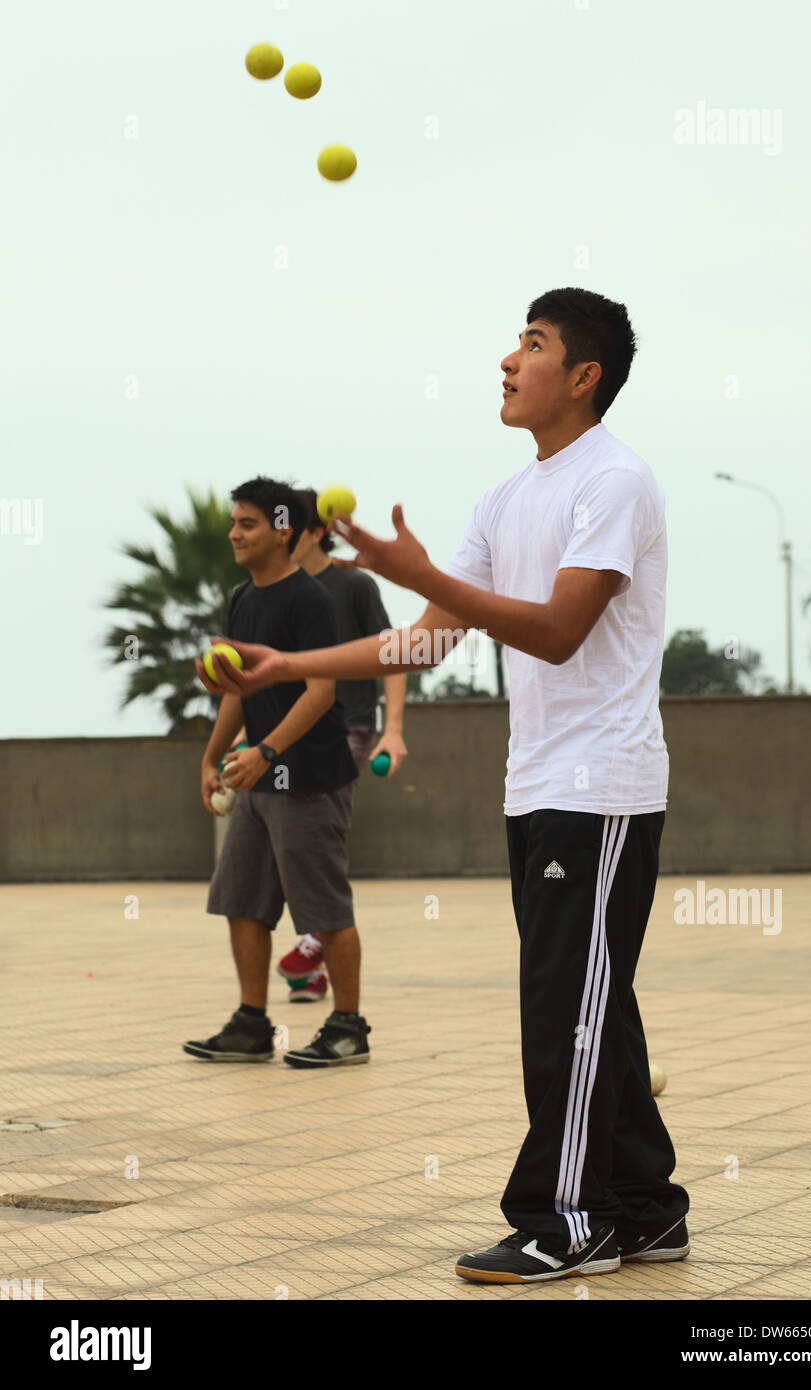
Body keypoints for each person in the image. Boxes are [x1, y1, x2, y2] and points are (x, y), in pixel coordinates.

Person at [196, 287, 690, 1282]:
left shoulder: (614, 481)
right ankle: (645, 1203)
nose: (508, 361)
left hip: (601, 788)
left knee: (567, 1002)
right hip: (538, 784)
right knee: (590, 996)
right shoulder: (507, 500)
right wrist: (289, 668)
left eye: (533, 344)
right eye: (515, 341)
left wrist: (431, 573)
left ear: (582, 376)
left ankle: (564, 1214)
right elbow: (428, 634)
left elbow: (554, 628)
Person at [184, 476, 371, 1068]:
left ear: (282, 529)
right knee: (242, 901)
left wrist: (266, 751)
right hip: (259, 778)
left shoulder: (310, 600)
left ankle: (347, 1028)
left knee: (324, 909)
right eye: (234, 522)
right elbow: (235, 690)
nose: (235, 533)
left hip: (310, 776)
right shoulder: (242, 599)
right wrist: (213, 756)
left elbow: (320, 691)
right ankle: (251, 1024)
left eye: (248, 523)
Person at [273, 489, 408, 1002]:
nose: (278, 537)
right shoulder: (279, 591)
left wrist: (392, 730)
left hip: (347, 728)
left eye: (287, 527)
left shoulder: (353, 586)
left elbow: (393, 655)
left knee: (314, 828)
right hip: (289, 731)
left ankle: (312, 944)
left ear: (314, 532)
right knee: (285, 841)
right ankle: (313, 966)